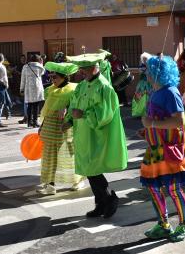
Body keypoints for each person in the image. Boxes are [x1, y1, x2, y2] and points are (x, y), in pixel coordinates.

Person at [64, 51, 127, 219]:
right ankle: (100, 204)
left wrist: (84, 115)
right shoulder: (83, 85)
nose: (81, 72)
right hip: (83, 133)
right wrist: (69, 120)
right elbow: (74, 104)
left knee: (93, 168)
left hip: (97, 134)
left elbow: (106, 113)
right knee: (88, 168)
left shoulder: (104, 87)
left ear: (94, 68)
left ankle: (109, 198)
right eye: (80, 69)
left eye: (84, 69)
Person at [139, 55, 185, 242]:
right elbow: (160, 120)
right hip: (155, 150)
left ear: (158, 72)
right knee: (154, 189)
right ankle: (164, 224)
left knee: (173, 189)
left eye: (149, 70)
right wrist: (147, 130)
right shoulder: (157, 91)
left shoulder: (170, 91)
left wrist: (152, 124)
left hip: (170, 150)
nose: (146, 73)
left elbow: (179, 121)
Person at [37, 62, 84, 195]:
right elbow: (46, 110)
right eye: (51, 77)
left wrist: (67, 109)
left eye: (55, 77)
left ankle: (78, 180)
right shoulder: (50, 90)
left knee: (69, 154)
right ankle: (50, 184)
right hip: (50, 127)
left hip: (66, 128)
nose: (52, 80)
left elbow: (78, 106)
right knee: (49, 156)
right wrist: (42, 126)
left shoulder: (74, 89)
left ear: (64, 77)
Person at [20, 55, 45, 128]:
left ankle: (29, 122)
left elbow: (23, 79)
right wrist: (42, 63)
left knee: (29, 105)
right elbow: (42, 73)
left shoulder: (25, 67)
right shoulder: (39, 67)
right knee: (36, 105)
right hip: (37, 88)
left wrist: (21, 89)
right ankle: (35, 122)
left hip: (28, 88)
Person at [132, 53, 153, 118]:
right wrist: (143, 70)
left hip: (149, 83)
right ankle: (139, 112)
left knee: (148, 97)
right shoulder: (142, 66)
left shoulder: (151, 66)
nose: (144, 60)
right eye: (143, 59)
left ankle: (148, 112)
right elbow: (140, 72)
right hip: (142, 83)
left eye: (145, 59)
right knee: (139, 97)